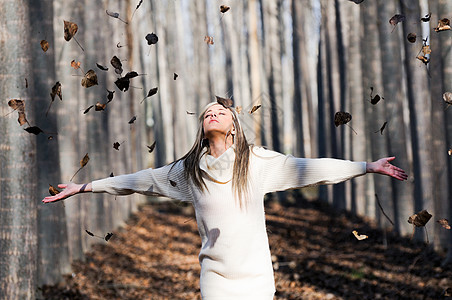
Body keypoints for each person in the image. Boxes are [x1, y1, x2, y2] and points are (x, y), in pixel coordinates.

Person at [42, 101, 408, 299]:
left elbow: (311, 169)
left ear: (233, 125)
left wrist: (365, 167)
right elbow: (139, 181)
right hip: (215, 278)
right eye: (206, 114)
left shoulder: (258, 162)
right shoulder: (189, 171)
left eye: (219, 112)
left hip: (257, 280)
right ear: (202, 128)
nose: (212, 113)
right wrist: (87, 186)